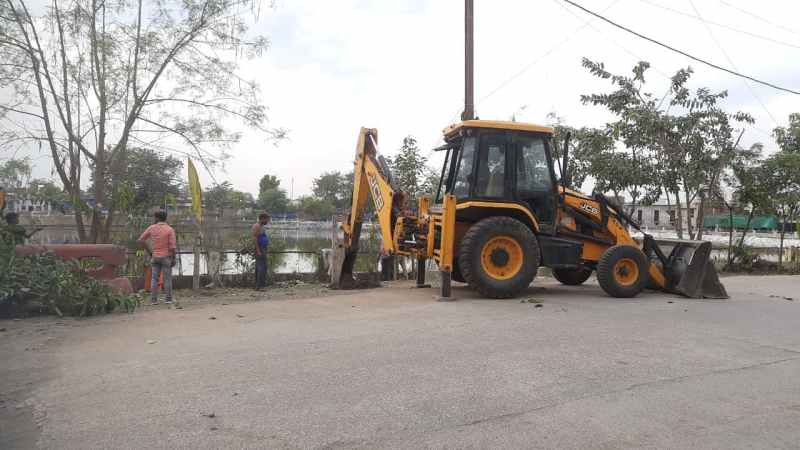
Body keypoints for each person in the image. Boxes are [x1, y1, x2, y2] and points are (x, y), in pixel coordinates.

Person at [138, 210, 177, 305]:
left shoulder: (151, 228)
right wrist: (174, 258)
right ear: (165, 218)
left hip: (155, 256)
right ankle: (168, 299)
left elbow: (141, 240)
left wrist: (150, 251)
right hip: (166, 257)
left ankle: (153, 300)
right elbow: (172, 247)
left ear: (157, 218)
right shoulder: (170, 229)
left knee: (154, 278)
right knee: (167, 279)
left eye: (154, 217)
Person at [252, 212, 270, 290]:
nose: (267, 221)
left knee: (262, 267)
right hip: (259, 248)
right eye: (266, 219)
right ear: (262, 219)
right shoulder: (257, 226)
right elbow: (255, 239)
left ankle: (259, 285)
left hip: (263, 248)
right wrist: (258, 250)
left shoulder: (262, 226)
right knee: (261, 267)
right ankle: (259, 286)